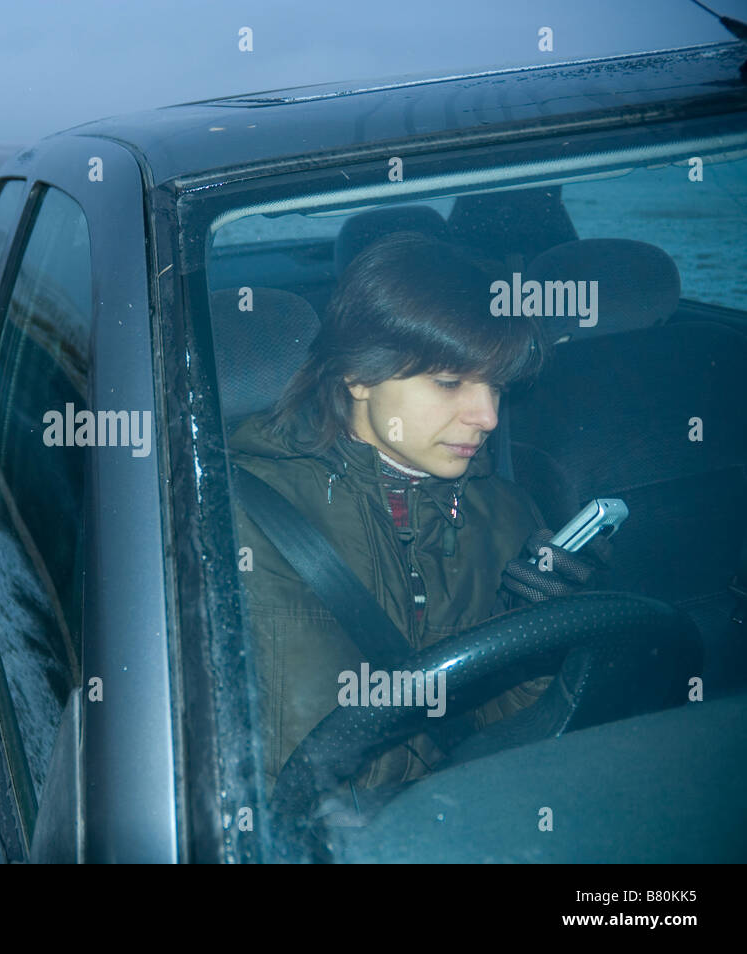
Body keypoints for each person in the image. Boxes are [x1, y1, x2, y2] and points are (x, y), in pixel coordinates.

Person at [229, 230, 613, 798]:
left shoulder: (504, 514)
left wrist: (542, 644)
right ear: (358, 375)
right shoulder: (239, 514)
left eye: (496, 388)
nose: (485, 416)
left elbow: (502, 740)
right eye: (449, 382)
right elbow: (266, 773)